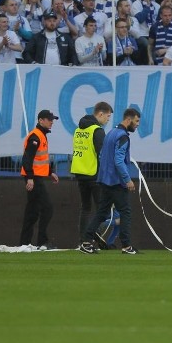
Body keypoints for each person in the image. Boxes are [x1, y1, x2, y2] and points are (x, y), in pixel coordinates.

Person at [79, 108, 141, 255]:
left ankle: (86, 242)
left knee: (102, 212)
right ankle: (126, 246)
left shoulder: (111, 133)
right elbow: (119, 161)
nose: (137, 124)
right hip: (117, 182)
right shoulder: (123, 136)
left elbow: (101, 155)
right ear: (128, 119)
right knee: (125, 212)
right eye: (137, 121)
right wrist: (127, 180)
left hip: (104, 180)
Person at [70, 102, 113, 245]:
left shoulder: (78, 130)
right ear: (100, 114)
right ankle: (92, 234)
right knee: (104, 210)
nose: (108, 120)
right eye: (107, 116)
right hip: (94, 174)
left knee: (86, 208)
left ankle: (83, 240)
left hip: (80, 172)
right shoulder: (97, 131)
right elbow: (103, 154)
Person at [20, 109, 60, 249]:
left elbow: (39, 159)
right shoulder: (35, 137)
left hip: (36, 177)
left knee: (32, 211)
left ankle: (24, 243)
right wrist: (30, 177)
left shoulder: (40, 135)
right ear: (40, 120)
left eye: (52, 120)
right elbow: (27, 159)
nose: (51, 122)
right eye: (49, 120)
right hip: (34, 178)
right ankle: (42, 241)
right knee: (47, 208)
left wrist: (50, 172)